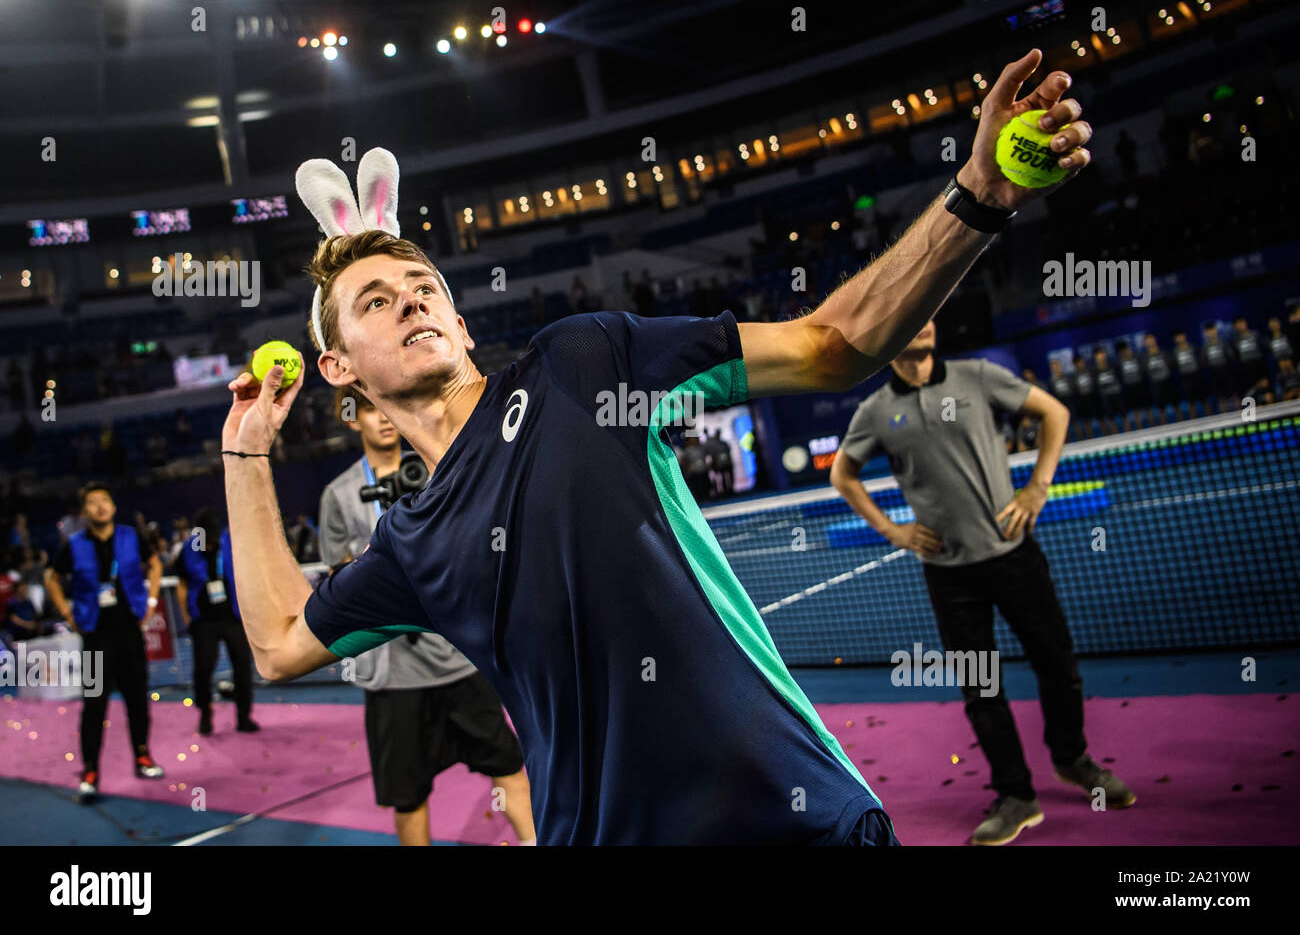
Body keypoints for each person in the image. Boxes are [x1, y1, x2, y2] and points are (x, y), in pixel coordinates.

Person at [221, 48, 1094, 844]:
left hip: (799, 826)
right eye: (375, 301)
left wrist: (976, 196)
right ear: (336, 367)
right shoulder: (411, 544)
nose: (410, 300)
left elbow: (835, 345)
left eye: (424, 286)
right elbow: (279, 642)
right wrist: (248, 454)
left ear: (455, 316)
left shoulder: (581, 362)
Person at [830, 321, 1134, 846]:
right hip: (950, 576)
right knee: (981, 688)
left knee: (1057, 664)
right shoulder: (876, 411)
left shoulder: (978, 376)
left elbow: (1054, 413)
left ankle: (1071, 758)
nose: (927, 321)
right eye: (916, 314)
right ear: (892, 334)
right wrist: (892, 530)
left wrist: (1037, 489)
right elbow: (843, 474)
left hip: (1015, 557)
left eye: (933, 315)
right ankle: (1016, 795)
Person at [318, 386, 535, 846]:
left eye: (385, 407)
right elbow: (337, 580)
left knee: (509, 767)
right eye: (368, 410)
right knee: (408, 796)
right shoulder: (338, 494)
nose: (381, 418)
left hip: (460, 658)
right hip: (393, 676)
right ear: (351, 419)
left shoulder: (442, 463)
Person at [44, 483, 165, 800]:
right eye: (93, 502)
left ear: (112, 506)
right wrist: (69, 615)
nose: (100, 506)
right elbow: (51, 579)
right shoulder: (73, 544)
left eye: (105, 500)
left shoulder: (130, 535)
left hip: (129, 633)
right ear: (84, 512)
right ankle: (90, 770)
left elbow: (154, 564)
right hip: (96, 638)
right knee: (94, 706)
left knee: (138, 700)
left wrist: (151, 603)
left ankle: (142, 755)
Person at [176, 507, 258, 736]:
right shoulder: (189, 549)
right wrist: (187, 616)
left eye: (212, 539)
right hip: (203, 621)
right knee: (202, 670)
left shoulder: (231, 543)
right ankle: (205, 714)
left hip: (233, 617)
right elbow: (182, 583)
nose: (209, 544)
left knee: (243, 667)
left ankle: (244, 716)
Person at [1141, 333, 1175, 424]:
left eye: (1151, 339)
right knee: (1160, 407)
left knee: (1176, 403)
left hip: (1167, 380)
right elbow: (1144, 371)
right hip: (1155, 383)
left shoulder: (1163, 352)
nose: (1150, 342)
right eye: (1147, 340)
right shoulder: (1145, 358)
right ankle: (1164, 425)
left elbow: (1171, 365)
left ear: (1155, 339)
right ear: (1145, 343)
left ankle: (1183, 424)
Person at [1171, 330, 1206, 418]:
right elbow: (1174, 365)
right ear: (1175, 339)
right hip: (1185, 378)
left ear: (1185, 336)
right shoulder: (1175, 352)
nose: (1180, 338)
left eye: (1181, 336)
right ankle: (1193, 420)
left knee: (1203, 398)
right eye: (1177, 337)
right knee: (1190, 400)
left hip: (1196, 374)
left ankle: (1210, 417)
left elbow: (1200, 360)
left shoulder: (1193, 347)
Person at [1070, 353, 1095, 439]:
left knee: (1100, 418)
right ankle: (1089, 438)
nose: (1079, 364)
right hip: (1082, 399)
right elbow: (1073, 389)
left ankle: (1107, 436)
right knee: (1086, 420)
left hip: (1092, 397)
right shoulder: (1073, 376)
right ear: (1074, 365)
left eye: (1080, 362)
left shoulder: (1090, 371)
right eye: (1077, 363)